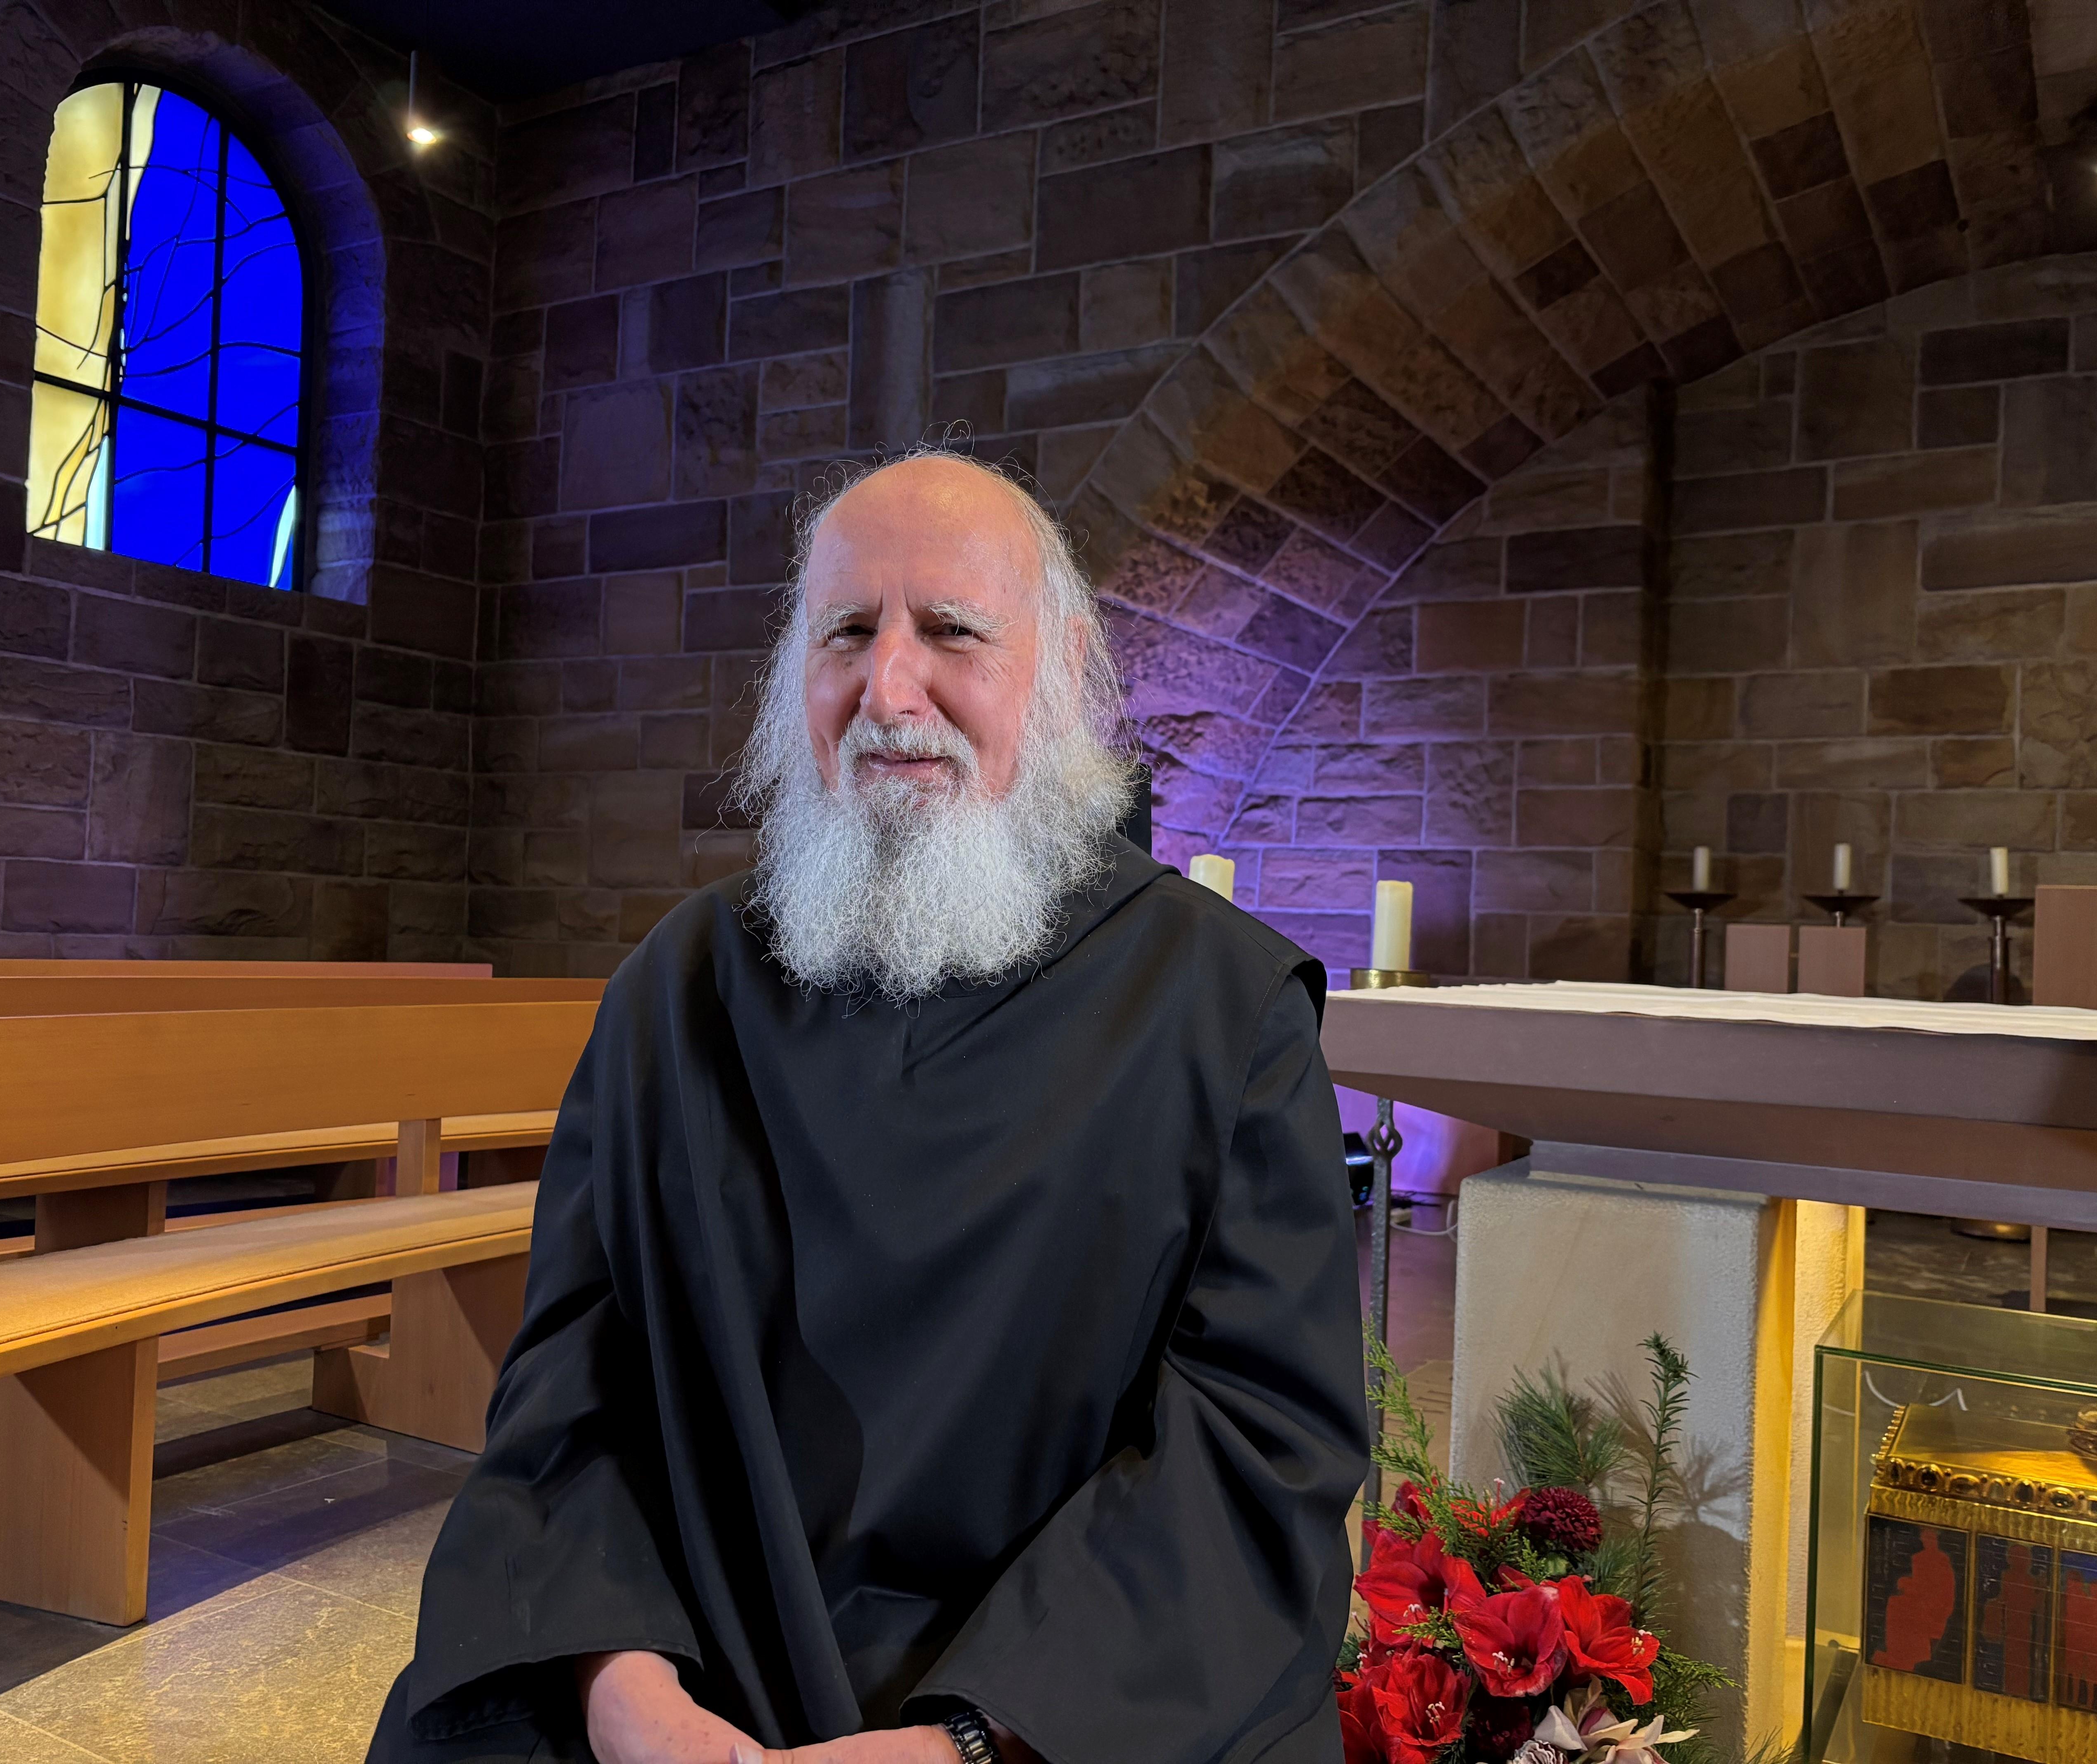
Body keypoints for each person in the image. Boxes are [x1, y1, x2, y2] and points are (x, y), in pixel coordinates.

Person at [368, 450, 1368, 1764]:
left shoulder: (1224, 1008)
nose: (890, 691)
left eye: (951, 630)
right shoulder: (678, 987)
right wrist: (626, 1692)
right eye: (847, 632)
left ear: (1060, 669)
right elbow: (572, 1387)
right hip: (692, 1646)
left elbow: (1256, 1444)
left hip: (1058, 1697)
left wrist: (965, 1743)